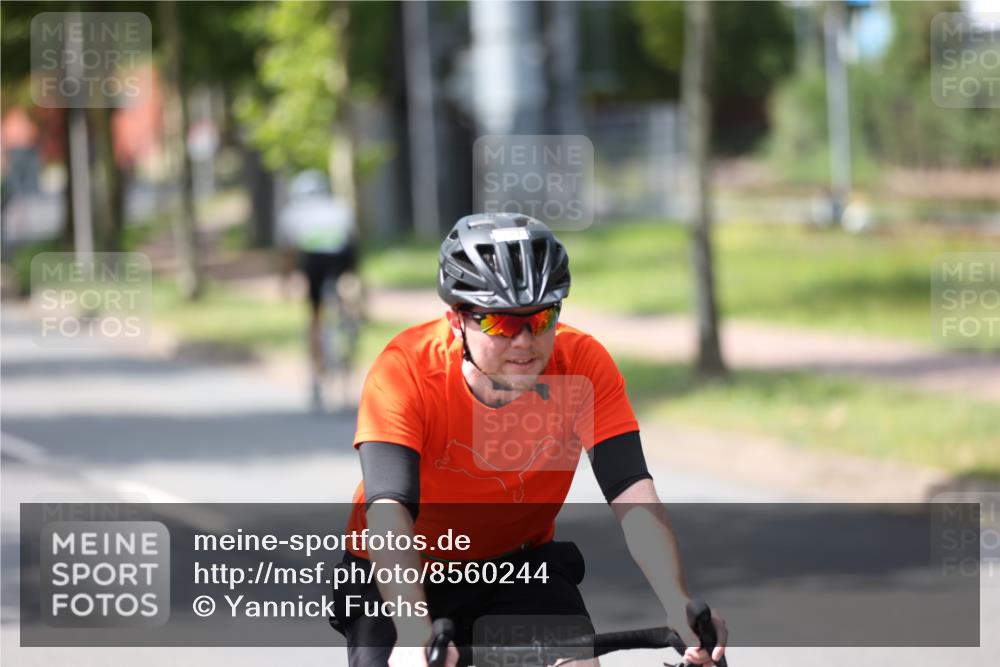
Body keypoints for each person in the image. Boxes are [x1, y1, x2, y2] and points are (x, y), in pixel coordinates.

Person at [331, 213, 727, 667]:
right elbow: (389, 509)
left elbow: (632, 494)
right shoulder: (405, 371)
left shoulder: (582, 365)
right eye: (501, 324)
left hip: (518, 567)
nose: (524, 341)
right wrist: (413, 628)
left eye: (541, 318)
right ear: (456, 319)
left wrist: (678, 605)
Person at [276, 169, 360, 409]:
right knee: (346, 295)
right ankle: (350, 320)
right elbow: (354, 244)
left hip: (314, 262)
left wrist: (286, 281)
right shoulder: (339, 207)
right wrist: (356, 277)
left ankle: (316, 378)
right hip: (342, 259)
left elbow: (287, 253)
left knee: (315, 316)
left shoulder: (292, 212)